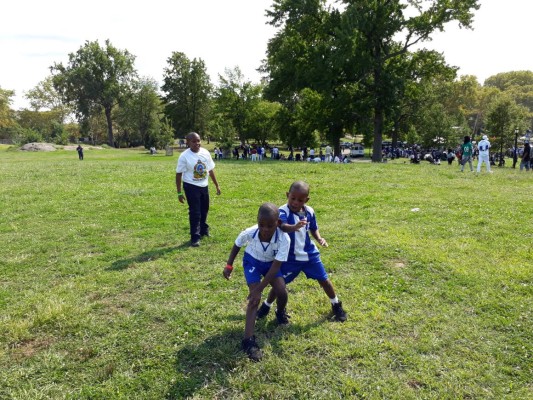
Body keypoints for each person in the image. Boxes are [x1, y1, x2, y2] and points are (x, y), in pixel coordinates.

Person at [256, 181, 347, 323]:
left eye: (300, 200)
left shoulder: (309, 211)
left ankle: (336, 304)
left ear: (306, 200)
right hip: (290, 257)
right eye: (293, 198)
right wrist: (294, 226)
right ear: (287, 195)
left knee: (324, 280)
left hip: (310, 255)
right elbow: (284, 227)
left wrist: (319, 238)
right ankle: (266, 306)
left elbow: (313, 227)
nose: (295, 202)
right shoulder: (282, 211)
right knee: (279, 285)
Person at [223, 203, 291, 362]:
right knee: (254, 299)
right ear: (257, 221)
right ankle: (248, 341)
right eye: (262, 225)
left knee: (282, 291)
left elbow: (275, 268)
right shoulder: (250, 232)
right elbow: (237, 244)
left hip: (270, 265)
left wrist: (260, 287)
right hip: (252, 261)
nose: (265, 229)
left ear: (278, 223)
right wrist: (229, 265)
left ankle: (280, 313)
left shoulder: (284, 238)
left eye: (270, 225)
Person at [175, 132, 221, 247]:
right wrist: (179, 192)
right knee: (195, 212)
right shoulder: (184, 156)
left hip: (203, 186)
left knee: (204, 209)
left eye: (198, 140)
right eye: (193, 141)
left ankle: (203, 230)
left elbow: (210, 170)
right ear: (188, 142)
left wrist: (216, 185)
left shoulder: (205, 153)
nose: (197, 143)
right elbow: (179, 174)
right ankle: (195, 237)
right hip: (191, 186)